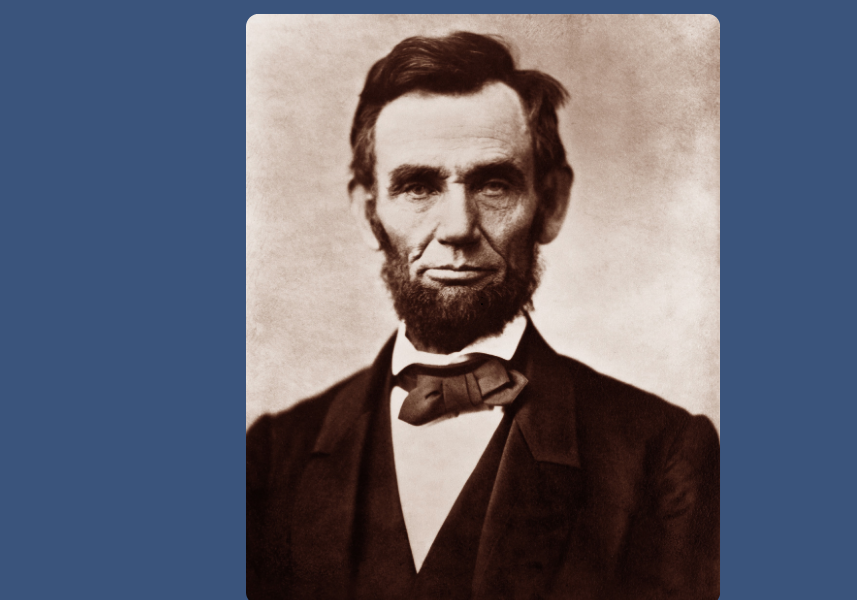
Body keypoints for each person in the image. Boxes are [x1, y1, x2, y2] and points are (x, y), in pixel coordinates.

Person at [246, 31, 719, 600]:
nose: (457, 228)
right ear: (367, 210)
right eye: (417, 186)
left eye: (494, 184)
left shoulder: (662, 455)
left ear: (551, 204)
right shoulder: (272, 457)